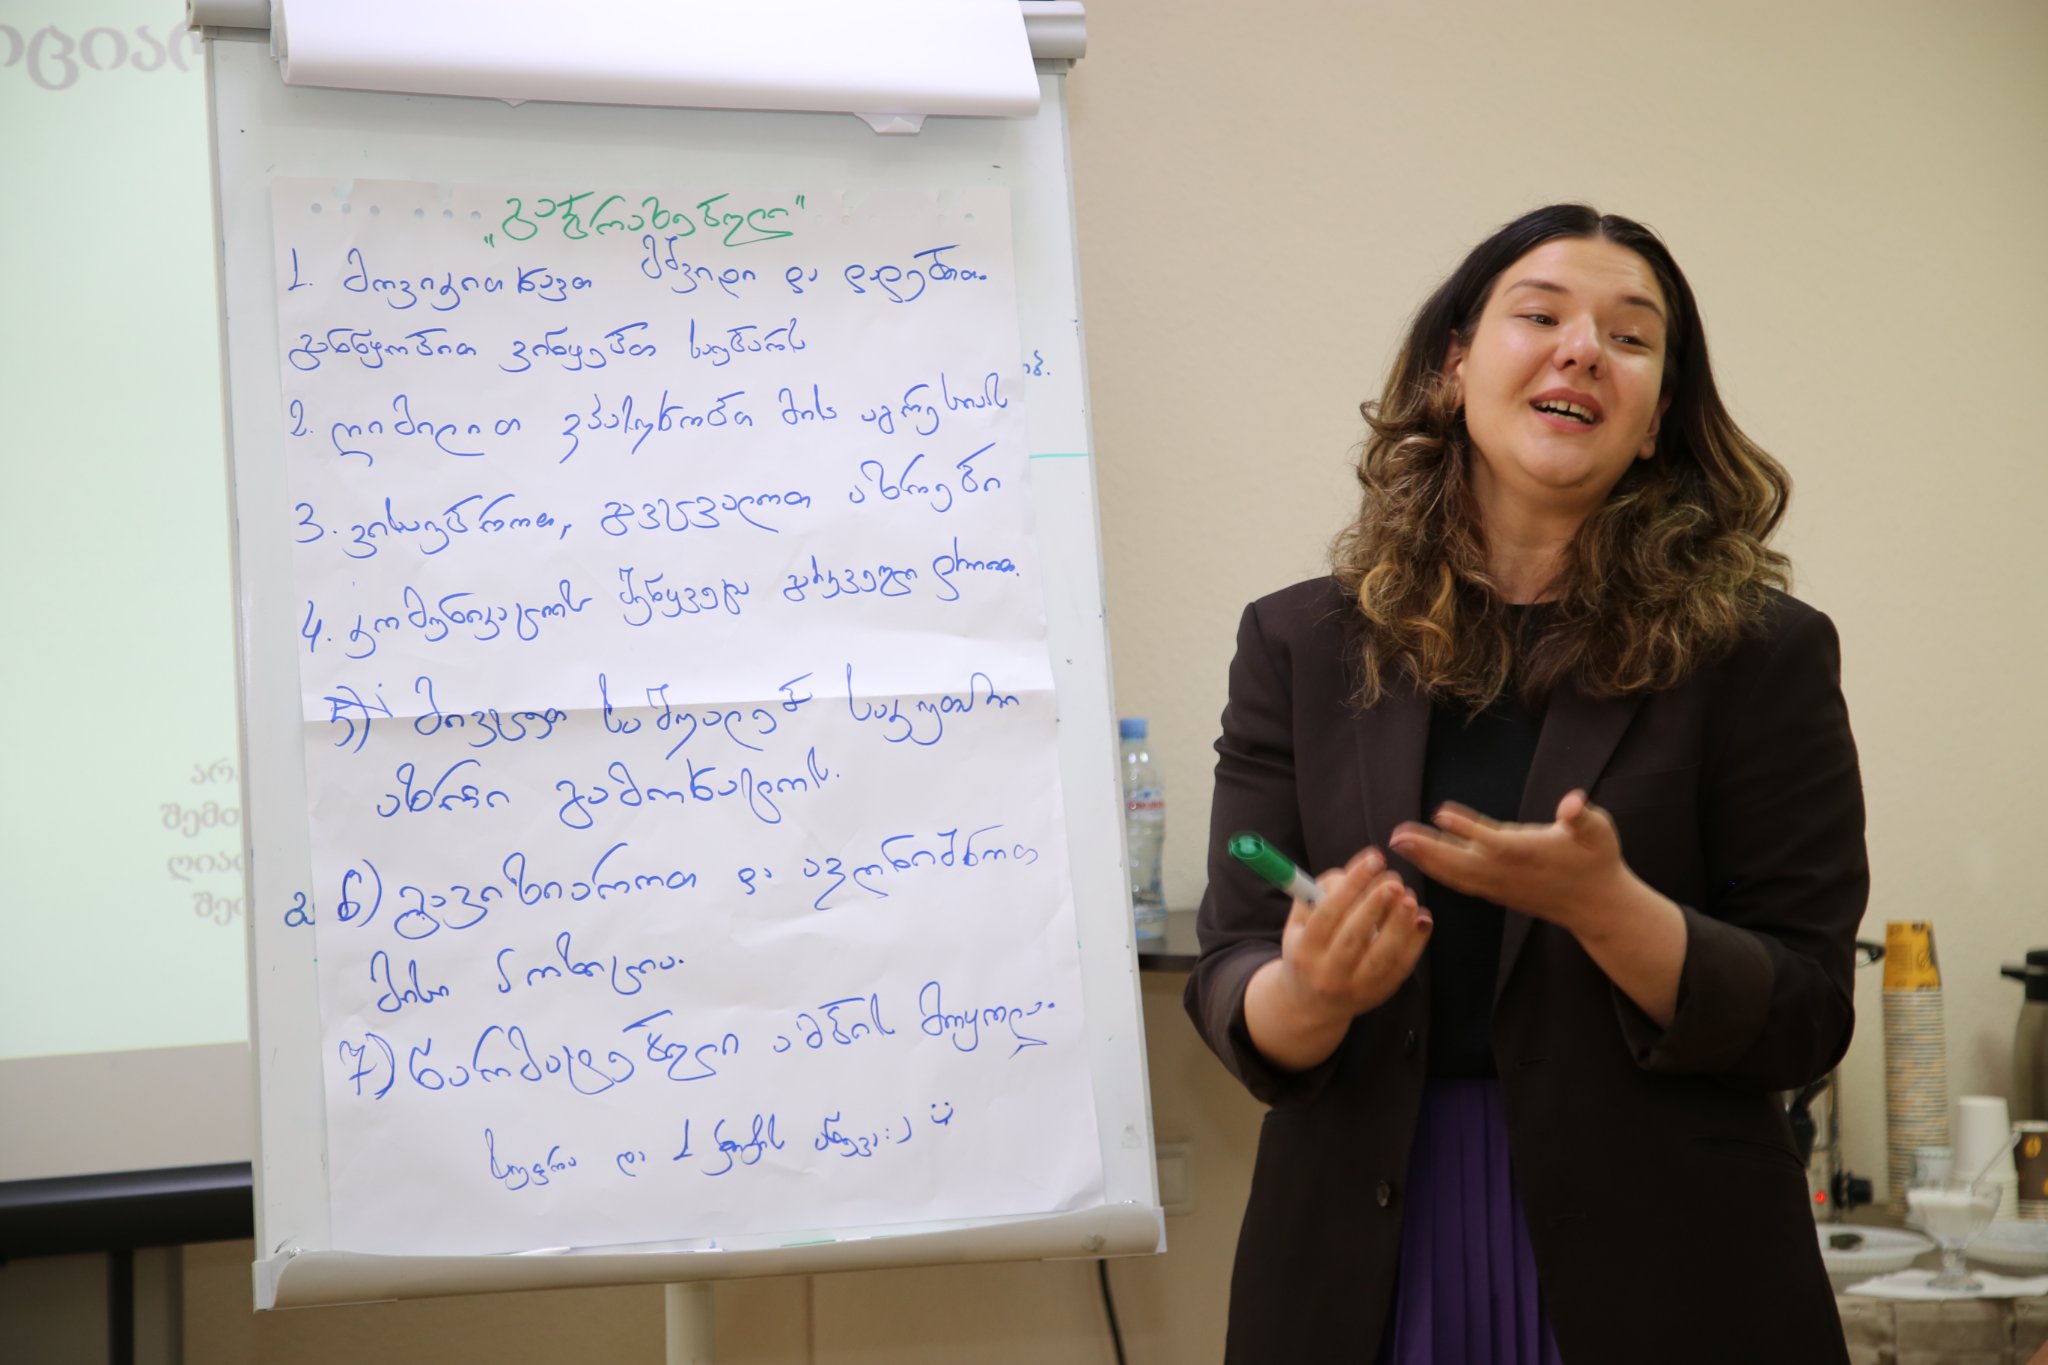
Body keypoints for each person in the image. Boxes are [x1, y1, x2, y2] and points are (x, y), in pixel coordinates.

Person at [1183, 204, 1867, 1365]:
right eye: (1539, 316)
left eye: (1628, 336)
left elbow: (1805, 1013)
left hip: (1669, 1270)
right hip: (1362, 1260)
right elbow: (1230, 970)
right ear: (1452, 368)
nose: (1581, 350)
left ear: (1654, 422)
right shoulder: (1299, 645)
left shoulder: (1760, 655)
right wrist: (1309, 991)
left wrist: (1611, 910)